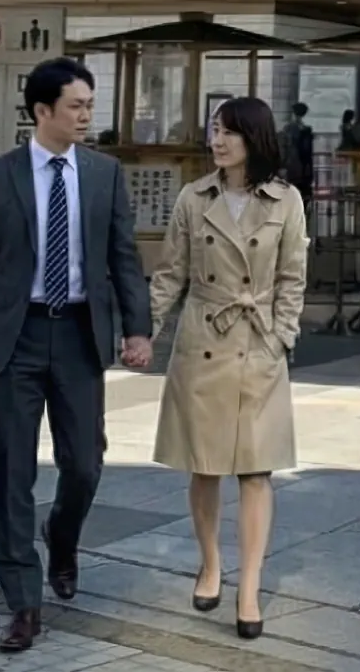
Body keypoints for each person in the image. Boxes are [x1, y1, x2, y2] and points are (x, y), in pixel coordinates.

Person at [0, 56, 152, 655]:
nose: (87, 115)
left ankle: (61, 538)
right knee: (13, 471)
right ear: (42, 111)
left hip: (79, 336)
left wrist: (137, 328)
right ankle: (23, 602)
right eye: (76, 106)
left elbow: (123, 256)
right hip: (14, 337)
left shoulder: (104, 173)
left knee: (85, 463)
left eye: (90, 105)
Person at [148, 97, 309, 640]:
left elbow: (293, 278)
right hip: (204, 341)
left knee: (257, 470)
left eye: (228, 133)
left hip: (259, 344)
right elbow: (171, 273)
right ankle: (212, 564)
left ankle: (250, 586)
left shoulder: (286, 201)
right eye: (213, 131)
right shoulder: (194, 198)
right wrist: (143, 331)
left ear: (254, 139)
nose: (217, 141)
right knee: (206, 465)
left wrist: (282, 336)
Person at [282, 102, 316, 201]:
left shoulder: (288, 129)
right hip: (305, 165)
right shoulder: (307, 130)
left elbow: (285, 147)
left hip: (293, 164)